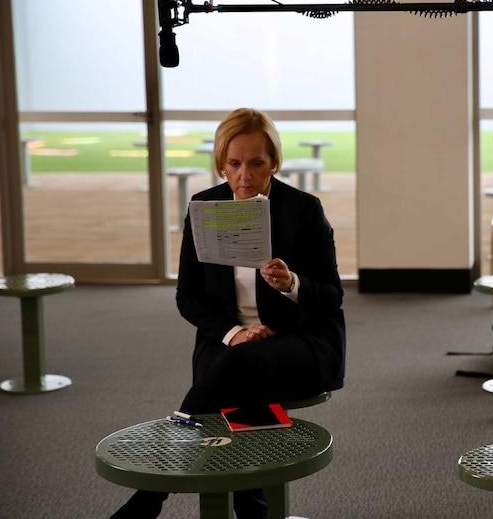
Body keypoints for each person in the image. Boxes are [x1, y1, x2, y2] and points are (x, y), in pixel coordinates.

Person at [111, 108, 346, 519]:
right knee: (239, 369)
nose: (245, 176)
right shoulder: (204, 207)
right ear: (221, 163)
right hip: (228, 340)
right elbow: (188, 296)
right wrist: (235, 333)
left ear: (274, 161)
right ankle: (252, 508)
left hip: (300, 339)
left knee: (235, 371)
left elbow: (332, 297)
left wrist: (292, 284)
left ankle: (154, 493)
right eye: (234, 164)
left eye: (256, 163)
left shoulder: (304, 209)